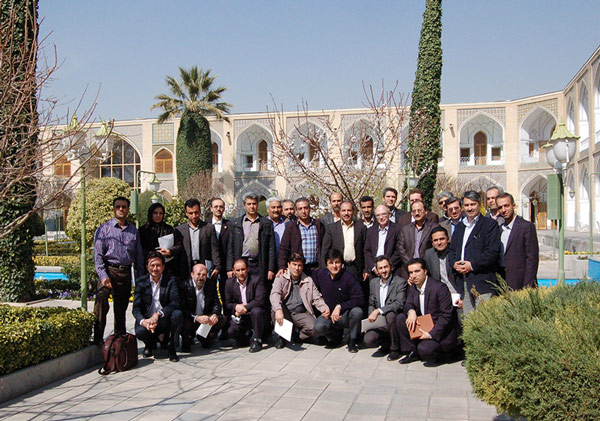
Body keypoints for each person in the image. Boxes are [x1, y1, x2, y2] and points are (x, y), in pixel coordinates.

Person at [93, 196, 144, 344]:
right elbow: (98, 256)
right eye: (118, 207)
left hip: (125, 272)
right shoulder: (104, 229)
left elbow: (139, 257)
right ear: (114, 209)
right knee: (101, 303)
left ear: (128, 209)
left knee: (121, 308)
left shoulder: (133, 231)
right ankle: (97, 339)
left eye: (124, 207)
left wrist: (139, 279)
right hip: (108, 271)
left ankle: (119, 342)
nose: (121, 209)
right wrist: (103, 276)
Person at [397, 258, 460, 365]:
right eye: (411, 272)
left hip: (440, 331)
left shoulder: (440, 288)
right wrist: (411, 311)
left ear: (425, 271)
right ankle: (413, 351)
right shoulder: (414, 287)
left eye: (417, 271)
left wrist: (431, 334)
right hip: (425, 324)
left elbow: (446, 316)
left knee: (425, 350)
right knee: (400, 318)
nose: (413, 275)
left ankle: (446, 353)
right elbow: (408, 304)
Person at [448, 191, 502, 313]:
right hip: (464, 282)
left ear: (479, 205)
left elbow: (492, 252)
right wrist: (454, 263)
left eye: (473, 204)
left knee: (483, 320)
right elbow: (452, 250)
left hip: (482, 282)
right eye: (466, 205)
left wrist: (471, 265)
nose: (470, 208)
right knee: (469, 322)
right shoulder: (461, 226)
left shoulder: (489, 225)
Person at [270, 253, 330, 349]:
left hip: (300, 313)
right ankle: (281, 337)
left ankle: (298, 336)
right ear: (288, 265)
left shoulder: (308, 280)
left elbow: (317, 298)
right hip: (285, 312)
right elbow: (275, 294)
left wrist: (324, 308)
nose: (296, 268)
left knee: (314, 327)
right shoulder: (281, 278)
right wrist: (278, 309)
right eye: (294, 264)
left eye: (299, 265)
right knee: (274, 311)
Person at [132, 251, 182, 362]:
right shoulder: (141, 282)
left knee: (177, 314)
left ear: (163, 267)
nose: (155, 269)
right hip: (148, 319)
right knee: (140, 332)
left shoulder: (171, 280)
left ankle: (172, 348)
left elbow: (175, 303)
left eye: (158, 265)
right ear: (147, 267)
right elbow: (136, 309)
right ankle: (149, 345)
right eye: (152, 265)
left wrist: (158, 314)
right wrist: (144, 321)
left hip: (163, 318)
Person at [313, 249, 364, 353]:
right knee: (318, 326)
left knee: (357, 312)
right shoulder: (321, 274)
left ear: (342, 264)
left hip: (345, 315)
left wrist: (340, 306)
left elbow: (360, 298)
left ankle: (352, 340)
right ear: (326, 264)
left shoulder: (348, 277)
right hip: (329, 315)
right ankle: (335, 337)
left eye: (337, 262)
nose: (334, 266)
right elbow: (306, 273)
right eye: (331, 263)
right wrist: (285, 269)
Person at [227, 192, 276, 288]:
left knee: (260, 291)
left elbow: (271, 248)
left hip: (259, 263)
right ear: (244, 205)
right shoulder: (236, 224)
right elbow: (230, 248)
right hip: (242, 264)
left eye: (254, 204)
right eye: (249, 204)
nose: (252, 206)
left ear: (257, 205)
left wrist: (271, 269)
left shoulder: (266, 223)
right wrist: (230, 268)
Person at [365, 256, 407, 361]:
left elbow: (399, 303)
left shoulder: (400, 282)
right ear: (377, 271)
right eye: (380, 268)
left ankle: (395, 349)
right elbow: (371, 303)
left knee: (390, 315)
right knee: (368, 340)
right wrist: (370, 318)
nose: (384, 271)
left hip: (394, 320)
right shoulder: (373, 283)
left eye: (386, 267)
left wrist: (378, 311)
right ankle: (386, 344)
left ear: (391, 267)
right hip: (379, 321)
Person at [224, 258, 269, 353]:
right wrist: (236, 307)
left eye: (243, 269)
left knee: (257, 311)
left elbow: (260, 300)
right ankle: (245, 336)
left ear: (248, 269)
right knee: (231, 331)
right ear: (233, 271)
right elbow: (227, 304)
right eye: (238, 270)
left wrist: (244, 307)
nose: (241, 273)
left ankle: (258, 340)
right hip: (241, 316)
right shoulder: (229, 283)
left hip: (254, 314)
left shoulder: (257, 279)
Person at [179, 263, 226, 352]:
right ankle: (187, 339)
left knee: (222, 319)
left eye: (204, 275)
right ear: (192, 274)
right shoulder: (184, 286)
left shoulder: (210, 284)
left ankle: (205, 337)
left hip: (205, 318)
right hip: (191, 318)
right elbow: (182, 308)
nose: (201, 277)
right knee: (182, 319)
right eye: (198, 274)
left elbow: (217, 303)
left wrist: (215, 314)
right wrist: (196, 317)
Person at [496, 193, 539, 290]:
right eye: (500, 207)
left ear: (513, 205)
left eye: (506, 206)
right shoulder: (498, 228)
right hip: (502, 283)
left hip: (521, 283)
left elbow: (532, 258)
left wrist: (528, 286)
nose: (503, 210)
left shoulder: (526, 227)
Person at [172, 198, 220, 281]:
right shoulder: (179, 230)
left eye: (196, 212)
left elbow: (214, 249)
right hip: (186, 268)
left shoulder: (209, 228)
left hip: (204, 266)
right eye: (191, 213)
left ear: (200, 212)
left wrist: (217, 266)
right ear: (186, 213)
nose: (194, 216)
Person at [320, 201, 367, 284]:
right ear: (340, 212)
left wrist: (366, 269)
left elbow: (366, 250)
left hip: (355, 269)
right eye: (343, 210)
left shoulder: (361, 228)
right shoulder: (332, 228)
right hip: (337, 268)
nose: (346, 213)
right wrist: (325, 270)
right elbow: (324, 251)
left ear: (353, 211)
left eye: (349, 210)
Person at [277, 197, 325, 277]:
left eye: (305, 208)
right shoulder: (291, 227)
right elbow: (284, 248)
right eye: (300, 209)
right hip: (299, 269)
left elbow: (324, 246)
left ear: (310, 209)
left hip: (317, 268)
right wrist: (282, 266)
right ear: (296, 211)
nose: (303, 211)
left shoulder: (318, 225)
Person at [398, 200, 437, 279]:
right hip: (407, 270)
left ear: (426, 211)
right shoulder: (405, 229)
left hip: (427, 269)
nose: (416, 213)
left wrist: (421, 266)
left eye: (419, 210)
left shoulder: (433, 227)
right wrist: (410, 264)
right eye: (414, 211)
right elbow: (400, 247)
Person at [424, 226, 461, 308]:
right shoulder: (429, 254)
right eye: (436, 240)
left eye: (442, 239)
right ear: (432, 243)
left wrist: (462, 296)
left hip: (457, 294)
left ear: (448, 239)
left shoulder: (456, 252)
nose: (439, 242)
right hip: (441, 296)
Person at [364, 205, 403, 277]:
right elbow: (367, 251)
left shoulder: (398, 229)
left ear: (389, 214)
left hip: (392, 270)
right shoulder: (370, 231)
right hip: (375, 271)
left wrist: (388, 266)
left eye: (383, 214)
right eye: (378, 215)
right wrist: (373, 267)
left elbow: (399, 250)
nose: (381, 217)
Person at [138, 202, 175, 274]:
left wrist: (169, 251)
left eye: (161, 213)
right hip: (148, 267)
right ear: (151, 214)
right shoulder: (143, 230)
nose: (158, 215)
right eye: (155, 213)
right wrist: (154, 255)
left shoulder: (168, 229)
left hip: (166, 267)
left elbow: (177, 245)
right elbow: (139, 248)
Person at [208, 197, 231, 305]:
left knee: (226, 295)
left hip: (226, 266)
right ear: (211, 209)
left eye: (221, 207)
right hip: (209, 266)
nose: (218, 209)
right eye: (216, 206)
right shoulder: (205, 226)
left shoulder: (230, 225)